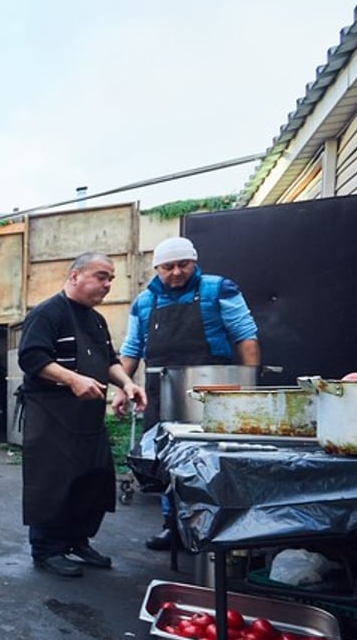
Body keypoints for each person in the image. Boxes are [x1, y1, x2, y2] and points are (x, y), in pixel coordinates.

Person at [111, 236, 260, 550]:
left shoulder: (218, 289)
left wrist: (250, 388)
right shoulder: (143, 302)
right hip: (160, 388)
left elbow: (245, 335)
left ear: (194, 263)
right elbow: (132, 349)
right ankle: (173, 527)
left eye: (183, 264)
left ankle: (216, 527)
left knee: (212, 459)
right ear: (157, 269)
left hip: (212, 385)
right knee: (167, 458)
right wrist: (123, 388)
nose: (176, 272)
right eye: (168, 267)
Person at [18, 252, 146, 577]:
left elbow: (109, 361)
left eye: (110, 279)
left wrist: (127, 384)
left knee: (94, 480)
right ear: (75, 276)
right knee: (53, 483)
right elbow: (31, 358)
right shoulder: (47, 313)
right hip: (52, 415)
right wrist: (72, 379)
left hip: (87, 417)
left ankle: (77, 541)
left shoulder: (96, 319)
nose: (107, 284)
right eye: (101, 276)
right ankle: (46, 550)